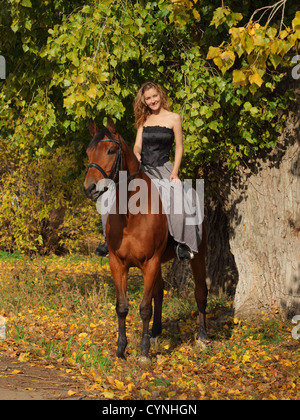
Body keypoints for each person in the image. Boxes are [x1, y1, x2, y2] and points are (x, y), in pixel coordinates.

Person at [95, 81, 202, 260]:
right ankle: (107, 239)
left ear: (160, 94)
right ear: (143, 101)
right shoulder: (143, 120)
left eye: (154, 96)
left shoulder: (174, 118)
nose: (153, 100)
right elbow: (137, 145)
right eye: (148, 98)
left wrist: (175, 171)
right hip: (143, 169)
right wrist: (136, 154)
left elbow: (179, 148)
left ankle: (181, 244)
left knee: (179, 197)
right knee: (110, 195)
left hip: (164, 169)